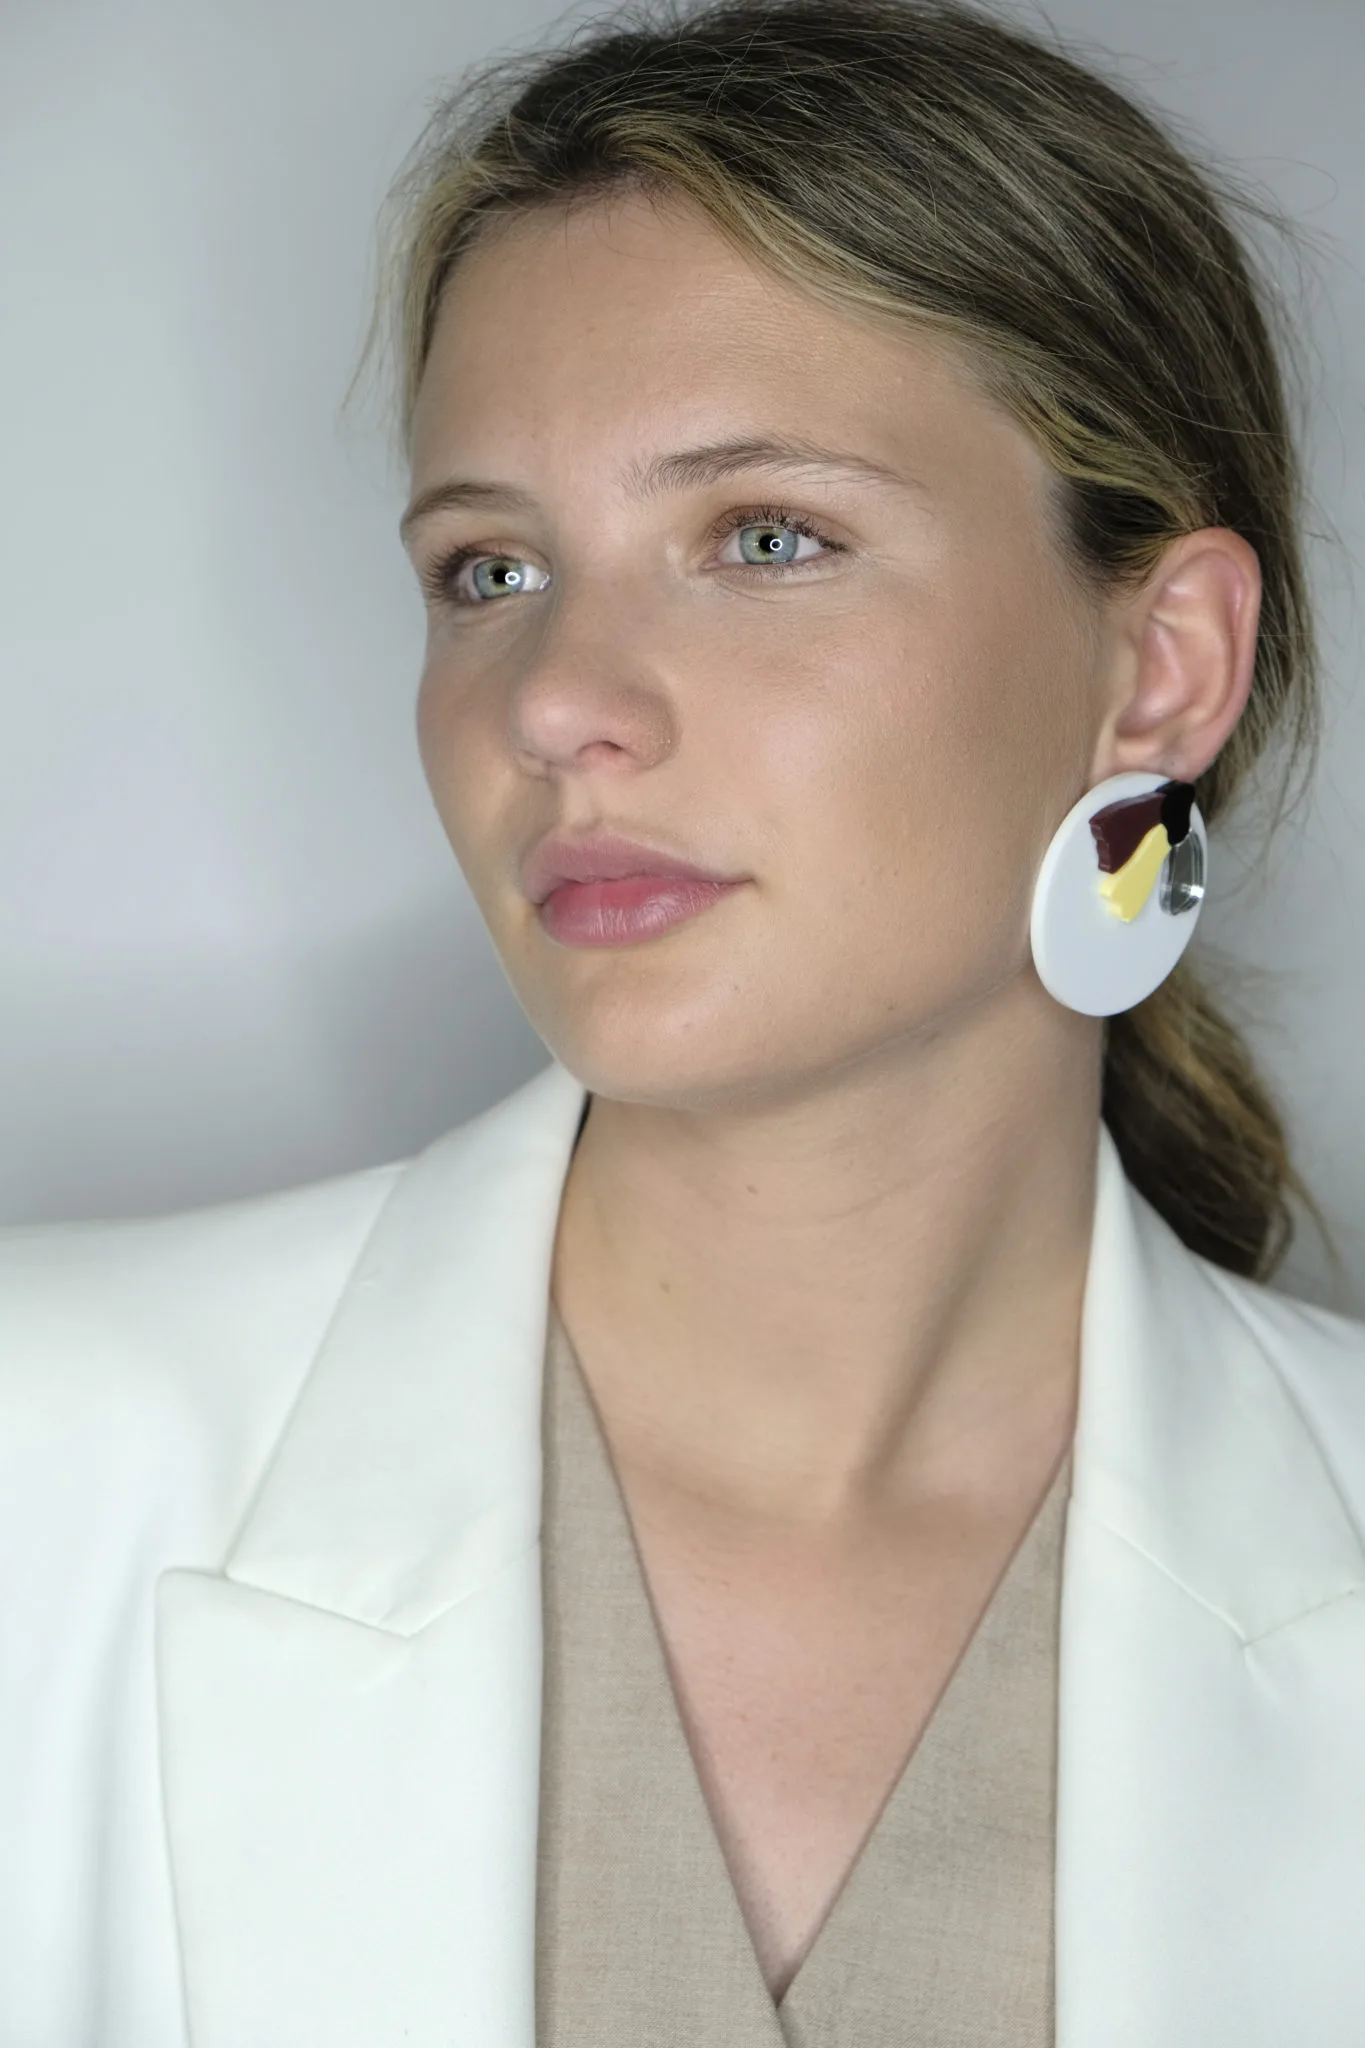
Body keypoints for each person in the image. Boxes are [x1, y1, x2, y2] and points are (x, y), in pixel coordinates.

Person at [3, 0, 1364, 2041]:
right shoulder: (38, 1464)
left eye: (765, 538)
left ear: (1161, 664)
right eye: (489, 570)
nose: (555, 700)